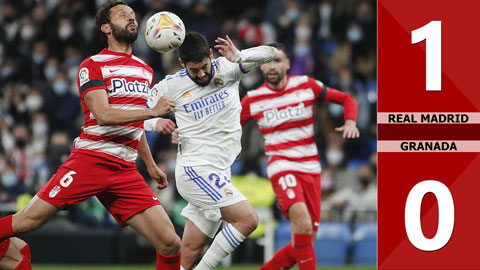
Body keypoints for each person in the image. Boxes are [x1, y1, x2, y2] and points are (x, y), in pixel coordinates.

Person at [0, 1, 181, 269]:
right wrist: (153, 112)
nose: (132, 19)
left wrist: (151, 165)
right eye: (123, 15)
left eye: (133, 15)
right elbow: (104, 115)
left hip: (124, 169)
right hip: (91, 160)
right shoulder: (92, 65)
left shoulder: (145, 70)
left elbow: (133, 122)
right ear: (106, 27)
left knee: (170, 243)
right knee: (27, 222)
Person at [144, 32, 279, 270]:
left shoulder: (229, 67)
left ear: (210, 54)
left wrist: (238, 56)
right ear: (183, 64)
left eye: (204, 67)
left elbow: (272, 53)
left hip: (219, 171)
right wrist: (156, 123)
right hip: (197, 171)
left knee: (190, 251)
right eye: (194, 70)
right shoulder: (171, 85)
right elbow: (134, 112)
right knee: (248, 220)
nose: (202, 74)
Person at [240, 42, 359, 270]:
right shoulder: (252, 99)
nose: (272, 66)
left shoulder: (306, 85)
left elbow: (347, 99)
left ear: (287, 64)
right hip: (281, 166)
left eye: (277, 60)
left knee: (305, 240)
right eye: (266, 62)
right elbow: (226, 128)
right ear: (261, 68)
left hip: (311, 168)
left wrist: (351, 121)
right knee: (303, 224)